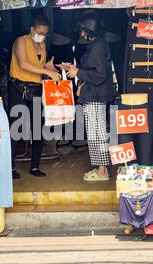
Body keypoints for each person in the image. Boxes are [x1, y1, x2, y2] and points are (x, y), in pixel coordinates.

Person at [9, 14, 60, 179]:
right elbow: (23, 64)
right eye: (39, 32)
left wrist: (48, 66)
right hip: (19, 87)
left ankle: (35, 166)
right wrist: (46, 71)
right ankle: (10, 167)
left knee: (38, 128)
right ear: (32, 29)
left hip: (36, 88)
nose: (42, 36)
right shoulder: (21, 41)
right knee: (16, 129)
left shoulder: (42, 45)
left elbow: (37, 66)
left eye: (45, 33)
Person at [63, 14, 113, 181]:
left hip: (95, 96)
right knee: (96, 132)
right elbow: (93, 69)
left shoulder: (97, 47)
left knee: (97, 133)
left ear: (88, 30)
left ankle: (102, 172)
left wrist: (79, 72)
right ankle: (101, 169)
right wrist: (75, 68)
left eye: (83, 29)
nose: (81, 33)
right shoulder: (97, 45)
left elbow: (100, 75)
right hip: (94, 95)